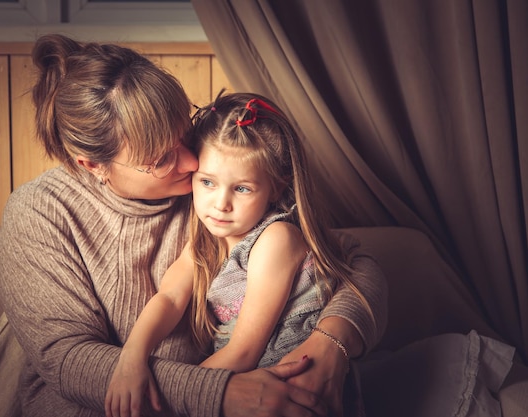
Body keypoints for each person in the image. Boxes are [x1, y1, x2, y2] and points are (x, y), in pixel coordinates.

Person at [0, 33, 387, 417]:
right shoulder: (41, 213)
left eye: (185, 135)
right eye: (161, 158)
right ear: (93, 165)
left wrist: (331, 340)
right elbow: (68, 359)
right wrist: (218, 394)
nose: (190, 163)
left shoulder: (212, 190)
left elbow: (350, 260)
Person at [107, 92, 375, 417]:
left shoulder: (275, 240)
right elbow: (170, 297)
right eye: (207, 182)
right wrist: (133, 357)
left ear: (275, 188)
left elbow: (245, 351)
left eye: (242, 188)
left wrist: (179, 401)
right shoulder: (205, 241)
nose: (221, 203)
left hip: (301, 394)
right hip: (249, 389)